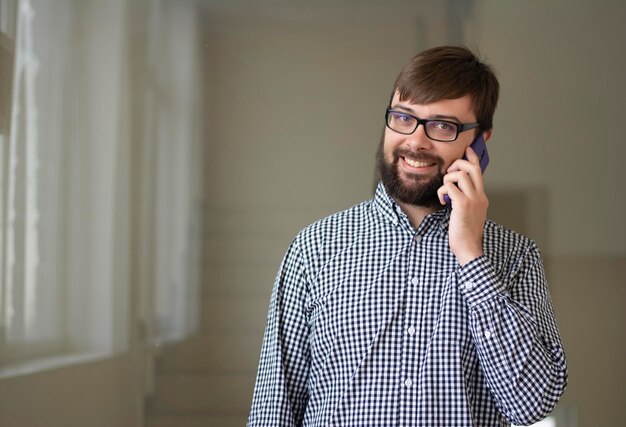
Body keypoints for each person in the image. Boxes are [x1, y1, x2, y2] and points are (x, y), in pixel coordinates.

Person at [247, 45, 567, 427]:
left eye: (443, 126)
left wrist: (471, 256)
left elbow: (532, 404)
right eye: (403, 118)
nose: (416, 141)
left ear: (480, 141)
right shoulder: (315, 249)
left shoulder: (515, 257)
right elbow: (273, 411)